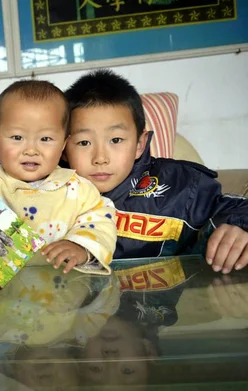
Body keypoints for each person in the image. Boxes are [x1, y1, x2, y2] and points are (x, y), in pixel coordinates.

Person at [62, 69, 248, 274]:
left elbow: (235, 208)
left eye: (116, 140)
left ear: (140, 144)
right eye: (84, 142)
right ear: (63, 148)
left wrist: (239, 227)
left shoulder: (180, 187)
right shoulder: (42, 191)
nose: (100, 158)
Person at [0, 80, 117, 274]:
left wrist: (81, 247)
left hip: (55, 293)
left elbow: (102, 220)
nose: (31, 150)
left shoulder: (79, 188)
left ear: (63, 144)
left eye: (45, 139)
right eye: (17, 137)